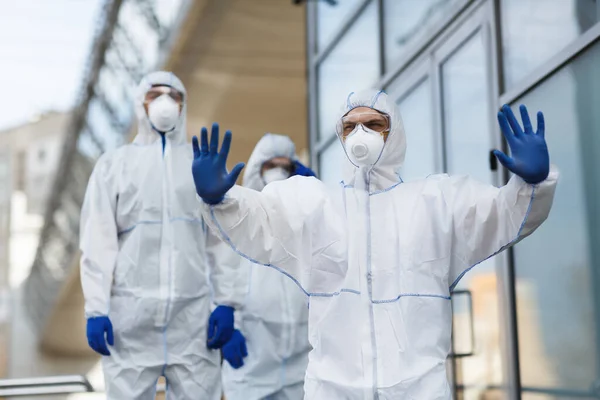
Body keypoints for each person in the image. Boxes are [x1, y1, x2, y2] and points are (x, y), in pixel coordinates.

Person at [191, 90, 558, 399]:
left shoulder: (435, 201)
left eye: (373, 124)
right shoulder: (317, 204)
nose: (360, 133)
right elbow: (261, 215)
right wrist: (220, 201)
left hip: (419, 389)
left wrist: (530, 186)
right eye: (350, 126)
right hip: (333, 389)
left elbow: (497, 215)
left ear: (392, 132)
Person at [80, 71, 242, 399]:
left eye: (174, 95)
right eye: (155, 94)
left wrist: (226, 302)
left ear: (183, 105)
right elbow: (98, 241)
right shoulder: (114, 165)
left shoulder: (199, 164)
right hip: (131, 321)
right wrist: (96, 308)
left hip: (192, 321)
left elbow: (221, 241)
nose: (165, 102)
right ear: (141, 103)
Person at [220, 133, 315, 400]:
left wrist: (319, 196)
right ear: (256, 170)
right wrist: (228, 324)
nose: (279, 172)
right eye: (271, 165)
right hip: (253, 354)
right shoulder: (240, 216)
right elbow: (219, 272)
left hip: (300, 358)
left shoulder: (304, 221)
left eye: (286, 167)